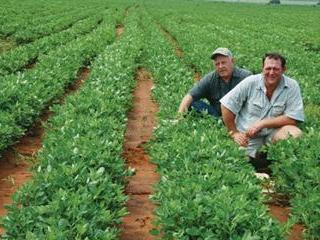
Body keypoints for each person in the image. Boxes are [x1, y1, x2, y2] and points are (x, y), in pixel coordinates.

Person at [220, 52, 304, 159]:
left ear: (284, 70)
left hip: (272, 134)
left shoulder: (292, 85)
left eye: (276, 69)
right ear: (262, 69)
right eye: (268, 68)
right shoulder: (251, 82)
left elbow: (293, 118)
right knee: (237, 159)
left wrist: (262, 123)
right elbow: (226, 105)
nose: (271, 72)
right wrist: (234, 133)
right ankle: (256, 168)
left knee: (295, 133)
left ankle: (279, 164)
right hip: (247, 136)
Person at [178, 47, 251, 117]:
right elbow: (190, 95)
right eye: (217, 64)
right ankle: (219, 121)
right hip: (217, 115)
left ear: (232, 61)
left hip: (240, 116)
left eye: (223, 62)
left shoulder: (245, 77)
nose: (220, 66)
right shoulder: (210, 78)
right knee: (191, 103)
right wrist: (179, 117)